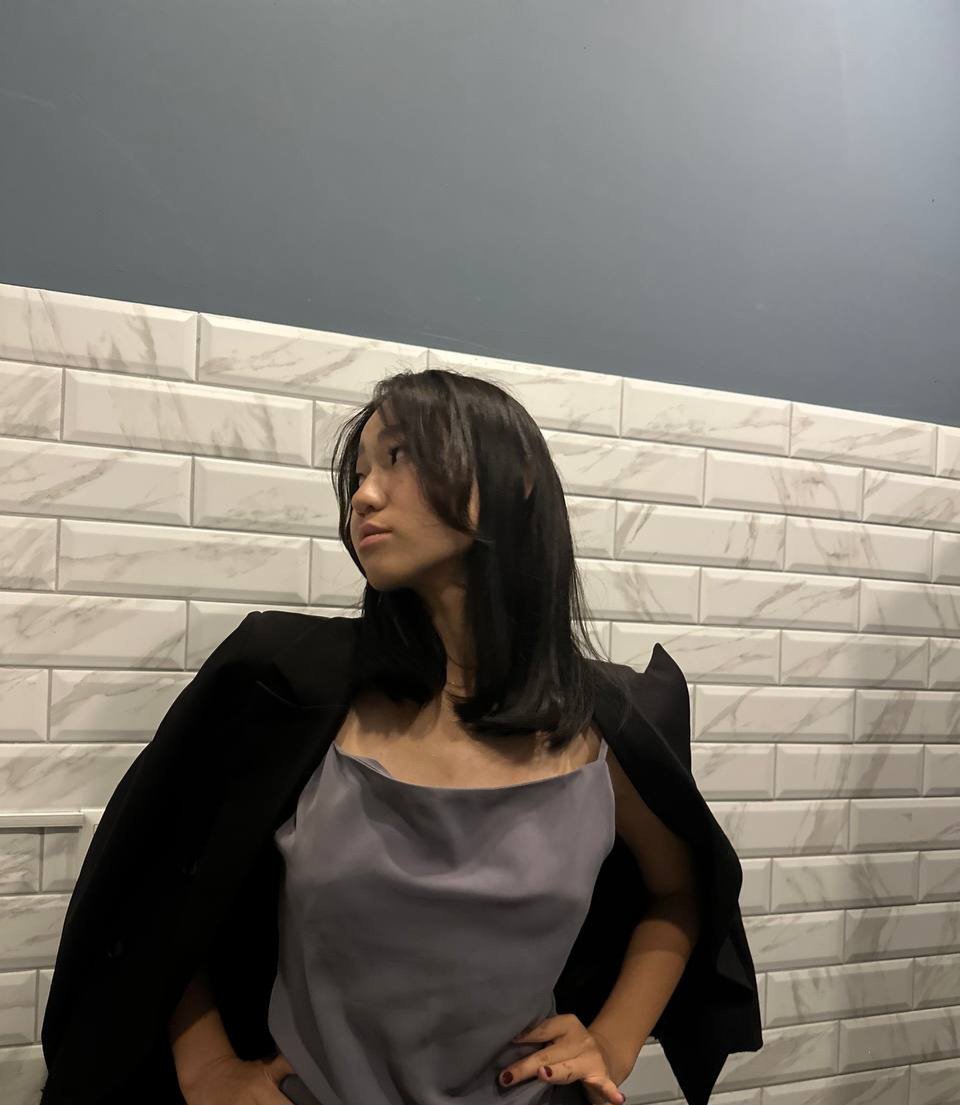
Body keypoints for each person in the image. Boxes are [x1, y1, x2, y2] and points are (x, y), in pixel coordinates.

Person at [41, 368, 762, 1105]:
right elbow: (156, 883)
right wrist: (206, 1067)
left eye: (398, 457)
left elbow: (682, 892)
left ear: (514, 481)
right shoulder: (287, 690)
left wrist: (613, 1040)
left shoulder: (607, 729)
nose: (364, 495)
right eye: (359, 474)